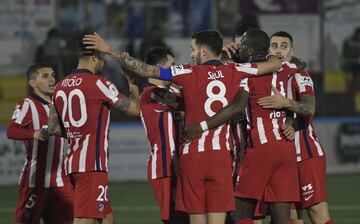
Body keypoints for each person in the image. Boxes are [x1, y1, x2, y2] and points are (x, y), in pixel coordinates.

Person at [82, 30, 281, 224]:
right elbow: (274, 64)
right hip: (220, 156)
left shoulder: (186, 71)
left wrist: (108, 50)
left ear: (203, 51)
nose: (191, 54)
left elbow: (146, 69)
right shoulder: (234, 70)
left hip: (192, 155)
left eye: (193, 49)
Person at [182, 29, 303, 224]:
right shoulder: (289, 68)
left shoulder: (246, 73)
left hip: (262, 147)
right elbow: (300, 63)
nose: (240, 49)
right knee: (282, 216)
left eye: (244, 45)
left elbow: (237, 106)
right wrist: (290, 117)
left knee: (239, 212)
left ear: (252, 49)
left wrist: (201, 126)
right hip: (286, 146)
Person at [48, 29, 140, 224]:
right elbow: (135, 110)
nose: (104, 62)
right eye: (102, 57)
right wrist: (132, 82)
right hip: (91, 165)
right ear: (96, 56)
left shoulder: (60, 87)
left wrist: (77, 131)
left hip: (73, 163)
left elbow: (54, 128)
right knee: (84, 220)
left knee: (107, 218)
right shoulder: (99, 83)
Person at [257, 31, 333, 224]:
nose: (279, 50)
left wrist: (285, 103)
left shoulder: (299, 75)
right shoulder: (263, 77)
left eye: (284, 46)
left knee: (317, 212)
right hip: (283, 156)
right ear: (267, 49)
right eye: (274, 45)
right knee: (290, 217)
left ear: (292, 51)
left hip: (306, 153)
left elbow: (309, 107)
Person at [7, 64, 73, 224]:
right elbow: (11, 131)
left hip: (60, 179)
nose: (51, 79)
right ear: (32, 83)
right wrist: (33, 133)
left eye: (52, 75)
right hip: (35, 180)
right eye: (45, 76)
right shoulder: (27, 104)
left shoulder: (60, 105)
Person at [139, 47, 186, 223]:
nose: (175, 70)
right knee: (175, 219)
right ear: (160, 68)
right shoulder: (152, 93)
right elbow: (189, 102)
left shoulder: (165, 92)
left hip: (177, 165)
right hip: (164, 167)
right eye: (171, 66)